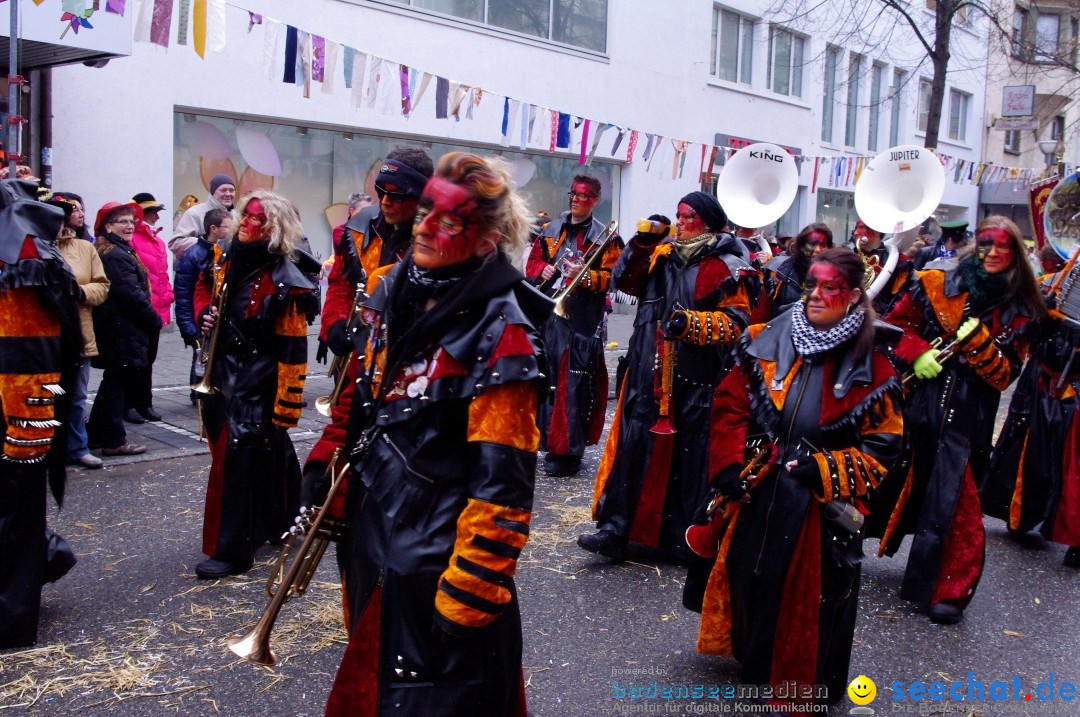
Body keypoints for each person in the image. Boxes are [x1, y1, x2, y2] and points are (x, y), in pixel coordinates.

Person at [300, 153, 548, 716]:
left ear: (486, 241)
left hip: (438, 564)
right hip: (375, 535)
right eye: (427, 210)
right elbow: (362, 390)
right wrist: (328, 456)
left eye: (451, 221)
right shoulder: (398, 287)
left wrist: (468, 596)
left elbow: (503, 492)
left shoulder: (504, 335)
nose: (426, 227)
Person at [690, 248, 902, 709]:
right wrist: (727, 466)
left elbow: (884, 445)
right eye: (812, 285)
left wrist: (825, 470)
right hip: (763, 479)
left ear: (852, 296)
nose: (817, 295)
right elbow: (730, 404)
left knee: (815, 594)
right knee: (752, 570)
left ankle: (809, 680)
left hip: (819, 502)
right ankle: (756, 662)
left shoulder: (874, 359)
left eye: (831, 288)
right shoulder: (771, 335)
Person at [875, 216, 1047, 624]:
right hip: (920, 400)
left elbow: (1005, 375)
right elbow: (894, 326)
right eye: (986, 245)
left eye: (1004, 248)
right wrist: (917, 351)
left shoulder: (1023, 306)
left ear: (1015, 254)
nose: (993, 254)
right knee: (894, 473)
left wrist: (980, 345)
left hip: (971, 414)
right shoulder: (936, 281)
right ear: (974, 245)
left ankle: (951, 586)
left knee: (958, 495)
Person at [579, 192, 756, 562]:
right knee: (634, 448)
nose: (680, 223)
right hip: (648, 370)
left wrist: (692, 323)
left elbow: (738, 324)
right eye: (678, 216)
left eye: (687, 216)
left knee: (689, 459)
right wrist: (642, 242)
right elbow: (625, 285)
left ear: (706, 221)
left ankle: (682, 540)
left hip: (695, 379)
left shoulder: (727, 265)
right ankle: (615, 531)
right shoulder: (663, 255)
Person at [193, 190, 319, 579]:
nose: (247, 223)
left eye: (258, 220)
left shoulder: (286, 280)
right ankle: (282, 519)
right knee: (263, 451)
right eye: (245, 216)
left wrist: (286, 405)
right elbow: (201, 290)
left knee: (237, 461)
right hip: (221, 371)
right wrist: (204, 315)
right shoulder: (226, 257)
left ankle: (232, 550)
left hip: (259, 378)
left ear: (275, 227)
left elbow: (294, 348)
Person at [0, 179, 82, 648]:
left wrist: (28, 427)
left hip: (16, 406)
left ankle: (11, 615)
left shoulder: (21, 249)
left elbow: (31, 348)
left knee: (15, 508)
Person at [981, 261, 1080, 567]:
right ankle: (1023, 517)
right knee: (1030, 448)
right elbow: (1024, 326)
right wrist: (1043, 314)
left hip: (1072, 385)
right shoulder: (1051, 282)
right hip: (1042, 382)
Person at [524, 174, 623, 477]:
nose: (576, 200)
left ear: (594, 200)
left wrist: (585, 275)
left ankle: (569, 451)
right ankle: (548, 445)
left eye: (583, 196)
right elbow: (532, 266)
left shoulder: (606, 236)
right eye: (573, 194)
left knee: (575, 387)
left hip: (582, 321)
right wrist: (544, 270)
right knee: (548, 380)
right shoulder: (551, 230)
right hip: (550, 314)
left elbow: (614, 278)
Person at [317, 147, 434, 364]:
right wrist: (336, 323)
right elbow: (341, 286)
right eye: (381, 190)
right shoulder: (359, 227)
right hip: (359, 359)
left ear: (420, 197)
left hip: (410, 364)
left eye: (397, 194)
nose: (385, 201)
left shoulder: (437, 239)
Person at [87, 201, 159, 457]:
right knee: (117, 384)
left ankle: (96, 435)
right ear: (108, 226)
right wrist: (154, 319)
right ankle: (114, 440)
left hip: (120, 328)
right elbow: (132, 295)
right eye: (123, 222)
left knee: (114, 382)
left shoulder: (116, 250)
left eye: (132, 221)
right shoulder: (116, 255)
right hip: (122, 329)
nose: (129, 226)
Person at [50, 194, 110, 469]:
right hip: (46, 335)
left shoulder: (85, 248)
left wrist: (80, 292)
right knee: (46, 394)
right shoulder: (40, 246)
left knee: (75, 396)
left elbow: (102, 286)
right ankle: (46, 449)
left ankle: (77, 447)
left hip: (79, 332)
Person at [175, 208, 233, 404]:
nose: (232, 229)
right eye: (228, 226)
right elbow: (184, 294)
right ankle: (198, 394)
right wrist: (188, 326)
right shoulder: (193, 254)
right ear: (213, 228)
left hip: (218, 317)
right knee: (201, 356)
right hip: (200, 317)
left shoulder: (228, 251)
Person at [125, 193, 174, 424]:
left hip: (157, 307)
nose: (156, 216)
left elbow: (161, 274)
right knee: (137, 360)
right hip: (142, 308)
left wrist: (167, 295)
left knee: (149, 358)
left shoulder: (158, 241)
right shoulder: (134, 239)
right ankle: (132, 403)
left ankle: (145, 402)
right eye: (152, 212)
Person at [760, 224, 833, 318]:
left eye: (823, 245)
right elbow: (765, 311)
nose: (818, 249)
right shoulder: (779, 271)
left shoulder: (835, 275)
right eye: (812, 244)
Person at [852, 218, 912, 316]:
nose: (855, 232)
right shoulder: (849, 255)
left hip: (880, 319)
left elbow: (898, 300)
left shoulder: (900, 262)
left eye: (861, 228)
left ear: (876, 231)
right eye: (856, 228)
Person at [170, 173, 236, 259]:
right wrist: (207, 244)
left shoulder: (237, 215)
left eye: (231, 190)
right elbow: (176, 243)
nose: (228, 194)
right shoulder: (194, 213)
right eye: (223, 190)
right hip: (201, 269)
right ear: (212, 192)